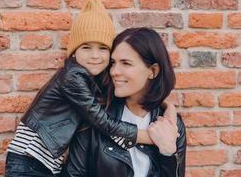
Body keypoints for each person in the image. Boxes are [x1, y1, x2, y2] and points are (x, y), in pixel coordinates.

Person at [5, 0, 176, 177]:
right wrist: (149, 138)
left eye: (103, 48)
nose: (95, 56)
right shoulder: (72, 77)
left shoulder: (92, 82)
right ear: (73, 52)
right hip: (28, 162)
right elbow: (104, 122)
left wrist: (168, 107)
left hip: (46, 166)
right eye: (86, 47)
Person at [63, 27, 186, 177]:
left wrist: (167, 151)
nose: (114, 71)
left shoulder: (173, 125)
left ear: (153, 71)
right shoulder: (95, 117)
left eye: (126, 63)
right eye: (113, 63)